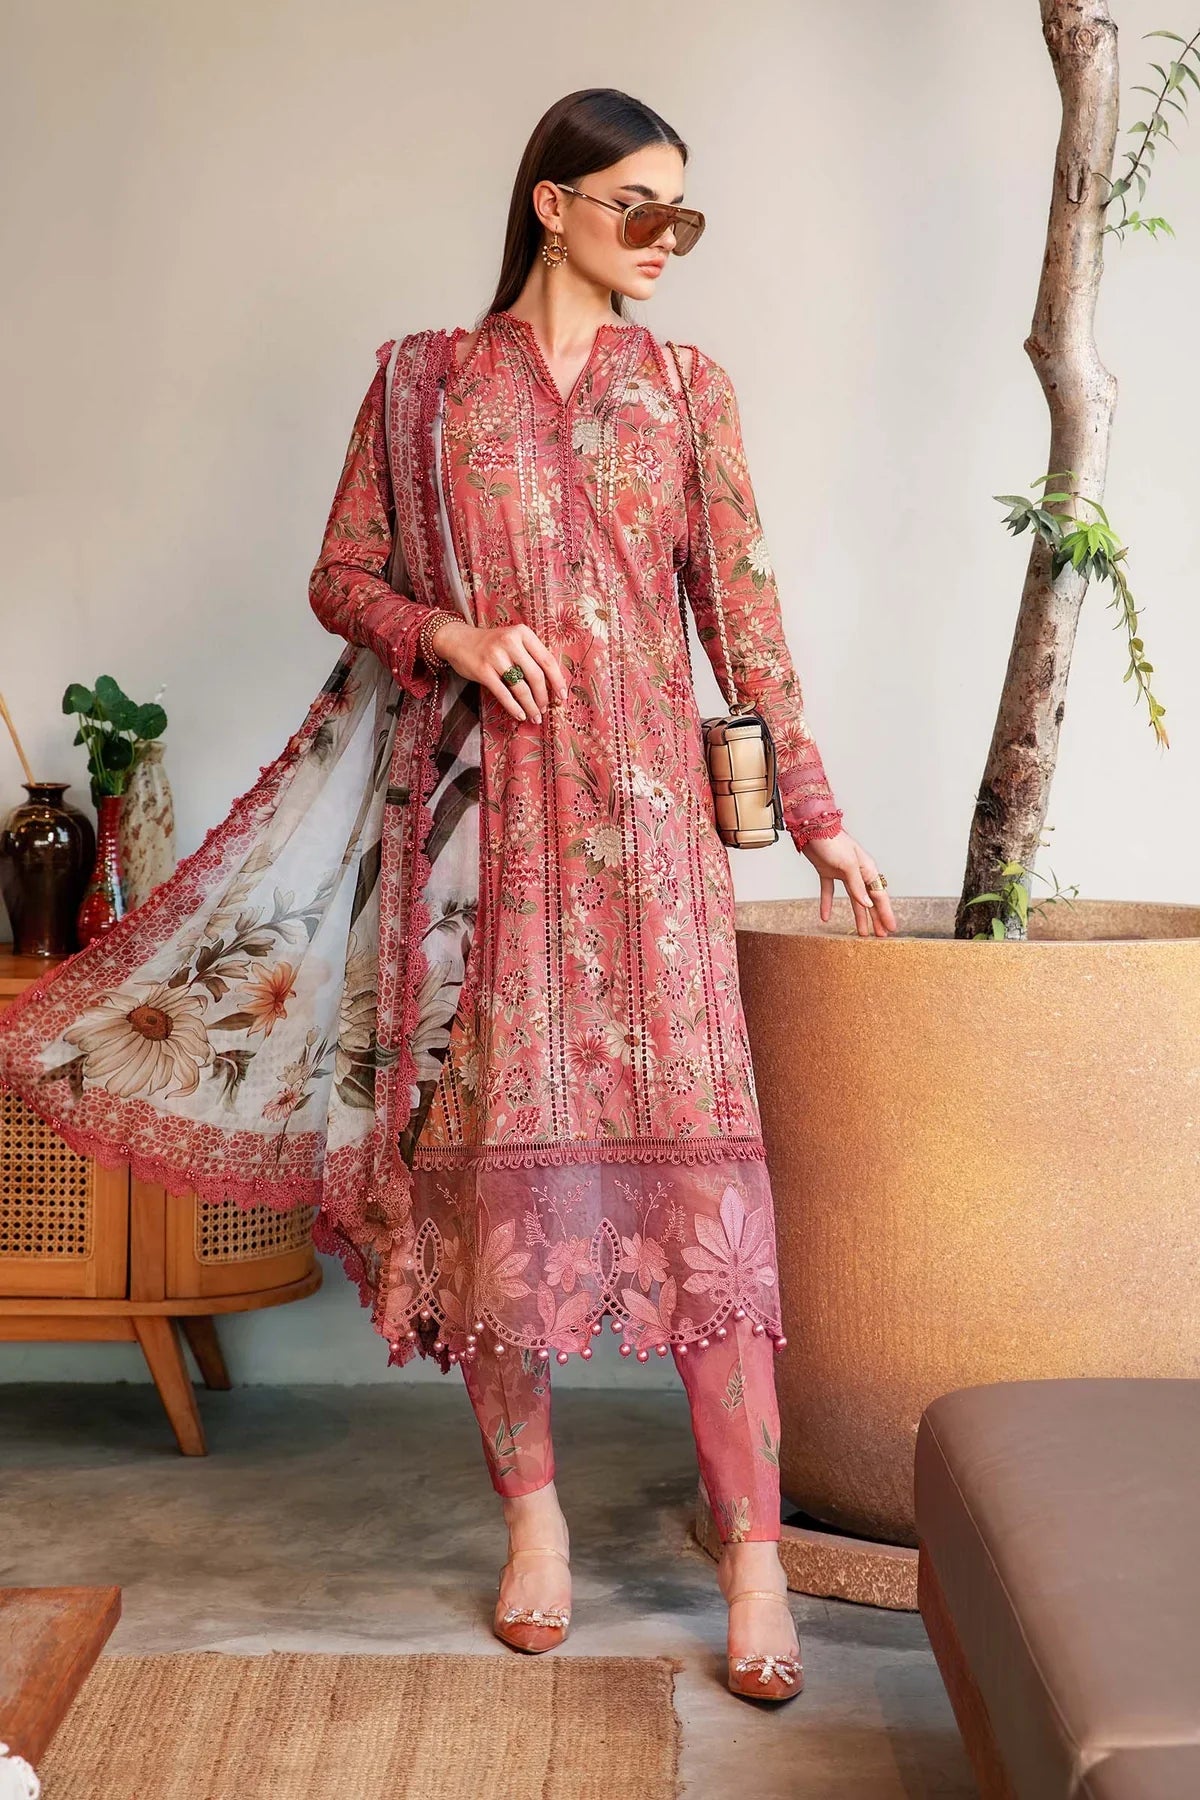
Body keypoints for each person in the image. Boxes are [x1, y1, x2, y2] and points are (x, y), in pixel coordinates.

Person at [0, 85, 897, 1705]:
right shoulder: (421, 388)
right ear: (552, 205)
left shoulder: (689, 391)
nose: (667, 242)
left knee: (709, 1200)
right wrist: (458, 640)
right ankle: (535, 1526)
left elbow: (743, 625)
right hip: (481, 845)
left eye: (684, 215)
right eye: (642, 206)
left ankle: (751, 1549)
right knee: (490, 1194)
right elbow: (342, 576)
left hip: (651, 850)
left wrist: (817, 817)